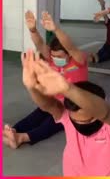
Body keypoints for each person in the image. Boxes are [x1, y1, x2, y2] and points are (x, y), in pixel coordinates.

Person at [20, 50, 110, 176]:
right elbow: (49, 105)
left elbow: (105, 112)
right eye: (77, 121)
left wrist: (67, 89)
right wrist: (32, 87)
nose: (81, 125)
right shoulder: (67, 117)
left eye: (88, 120)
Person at [3, 11, 88, 149]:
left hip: (73, 105)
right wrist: (32, 29)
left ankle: (22, 138)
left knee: (53, 123)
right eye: (54, 56)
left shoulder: (78, 60)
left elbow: (71, 47)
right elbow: (40, 44)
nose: (55, 59)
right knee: (37, 115)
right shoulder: (51, 58)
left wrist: (55, 29)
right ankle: (13, 131)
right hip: (53, 101)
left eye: (60, 56)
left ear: (68, 54)